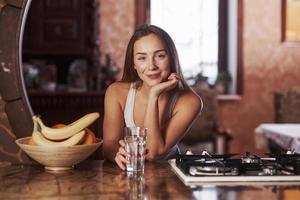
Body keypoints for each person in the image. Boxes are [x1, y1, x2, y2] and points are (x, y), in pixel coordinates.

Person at [103, 24, 202, 170]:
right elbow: (109, 144)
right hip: (129, 174)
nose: (151, 66)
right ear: (134, 64)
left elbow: (153, 153)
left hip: (169, 177)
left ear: (171, 58)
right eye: (142, 58)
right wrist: (118, 154)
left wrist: (154, 95)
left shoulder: (190, 101)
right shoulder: (116, 92)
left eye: (160, 56)